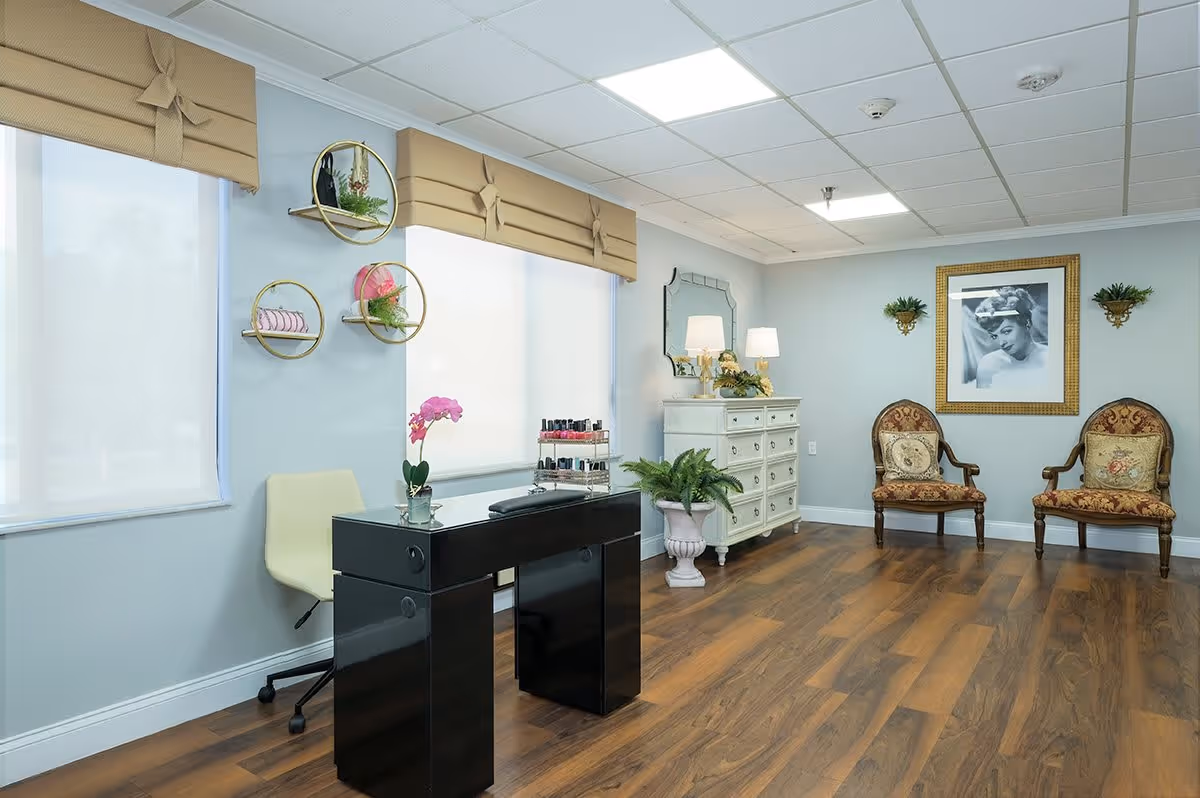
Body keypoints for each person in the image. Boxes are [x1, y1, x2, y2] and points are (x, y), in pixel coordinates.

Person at [973, 286, 1048, 388]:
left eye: (1006, 331)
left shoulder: (1051, 358)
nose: (1001, 343)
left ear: (1026, 322)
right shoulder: (988, 364)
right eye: (994, 336)